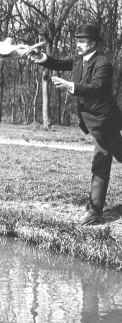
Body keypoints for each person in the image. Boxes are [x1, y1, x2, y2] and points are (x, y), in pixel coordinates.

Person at [27, 23, 122, 226]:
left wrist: (70, 85)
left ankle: (94, 212)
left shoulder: (104, 63)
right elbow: (59, 62)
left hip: (105, 122)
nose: (77, 45)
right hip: (95, 121)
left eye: (81, 41)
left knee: (100, 164)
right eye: (77, 41)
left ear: (93, 43)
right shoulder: (80, 60)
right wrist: (41, 57)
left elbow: (96, 88)